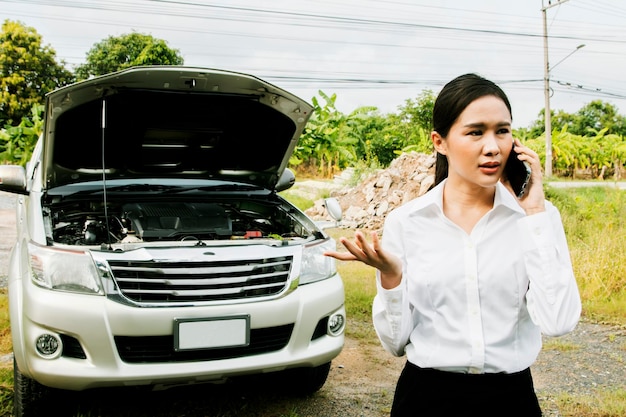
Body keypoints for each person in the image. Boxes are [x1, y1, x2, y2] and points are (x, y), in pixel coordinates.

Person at [324, 73, 582, 416]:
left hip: (511, 399)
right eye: (475, 132)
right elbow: (394, 344)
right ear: (439, 141)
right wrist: (392, 276)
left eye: (502, 131)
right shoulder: (407, 222)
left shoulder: (535, 220)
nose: (492, 146)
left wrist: (534, 211)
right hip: (427, 398)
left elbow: (558, 322)